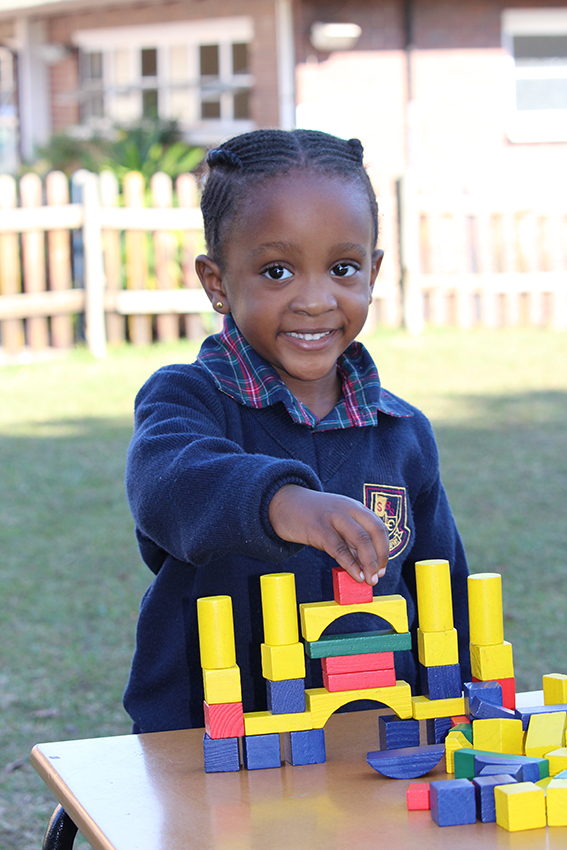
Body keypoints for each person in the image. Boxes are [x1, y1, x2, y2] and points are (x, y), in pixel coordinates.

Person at [124, 129, 470, 734]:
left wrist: (462, 698)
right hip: (208, 734)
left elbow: (445, 591)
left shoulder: (403, 433)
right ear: (217, 283)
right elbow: (167, 486)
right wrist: (282, 503)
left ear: (373, 272)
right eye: (277, 270)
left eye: (342, 268)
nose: (315, 300)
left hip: (369, 738)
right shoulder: (187, 399)